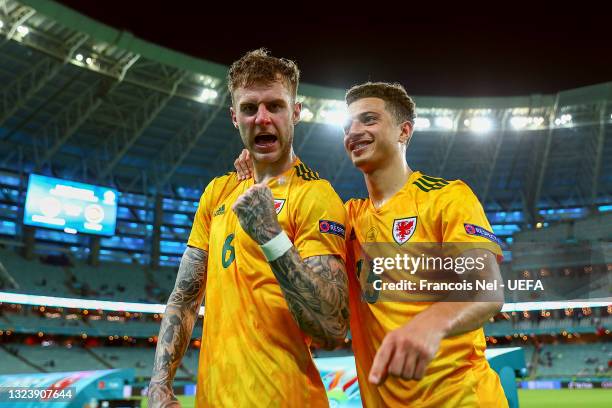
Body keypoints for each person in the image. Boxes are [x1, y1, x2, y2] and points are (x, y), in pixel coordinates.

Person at [235, 82, 508, 407]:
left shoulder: (445, 198)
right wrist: (265, 164)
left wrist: (429, 324)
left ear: (404, 131)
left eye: (368, 120)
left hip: (462, 400)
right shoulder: (347, 217)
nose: (353, 131)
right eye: (347, 125)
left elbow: (487, 288)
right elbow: (303, 199)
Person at [148, 49, 349, 407]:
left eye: (275, 106)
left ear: (296, 112)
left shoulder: (316, 196)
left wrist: (271, 237)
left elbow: (332, 329)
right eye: (249, 108)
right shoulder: (218, 192)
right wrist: (160, 382)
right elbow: (184, 297)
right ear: (233, 117)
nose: (262, 118)